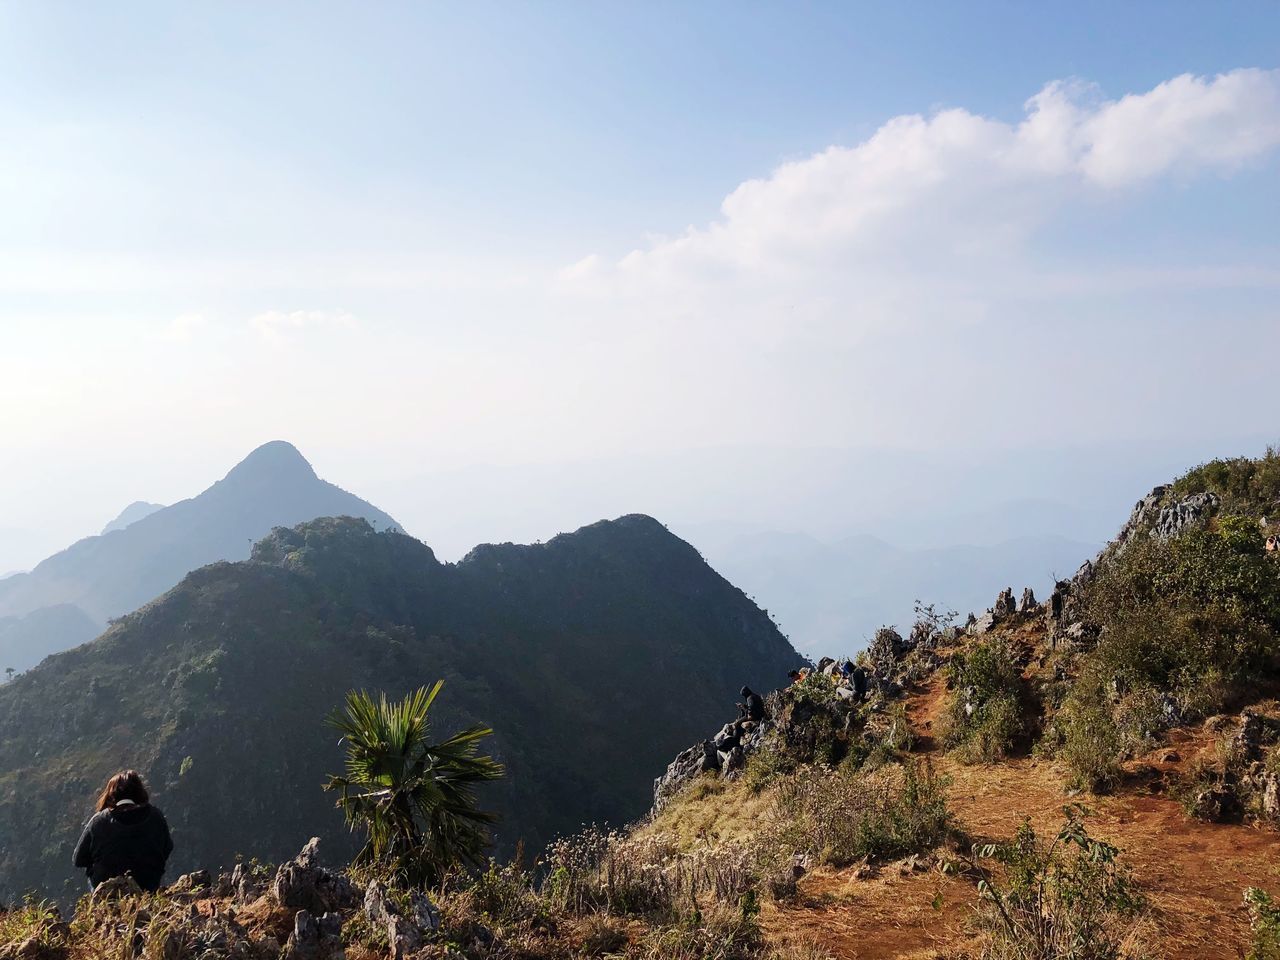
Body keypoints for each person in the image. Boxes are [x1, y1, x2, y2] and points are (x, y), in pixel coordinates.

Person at [73, 770, 173, 892]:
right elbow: (167, 848)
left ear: (110, 794)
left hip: (108, 889)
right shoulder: (156, 816)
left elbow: (78, 859)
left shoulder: (98, 821)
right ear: (140, 791)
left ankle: (100, 904)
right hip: (147, 886)